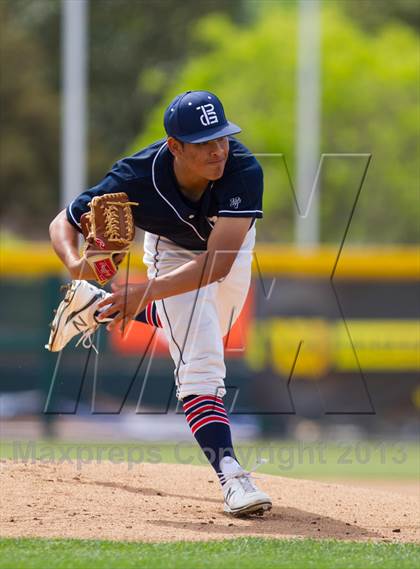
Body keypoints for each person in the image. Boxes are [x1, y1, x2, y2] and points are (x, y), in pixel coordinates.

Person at [47, 90, 272, 516]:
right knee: (201, 359)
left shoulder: (242, 170)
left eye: (221, 137)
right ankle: (231, 474)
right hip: (170, 250)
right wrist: (77, 264)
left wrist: (144, 293)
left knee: (213, 326)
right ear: (175, 146)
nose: (217, 149)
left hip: (228, 249)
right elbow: (64, 221)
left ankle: (99, 306)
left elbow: (217, 266)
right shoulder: (135, 177)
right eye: (203, 142)